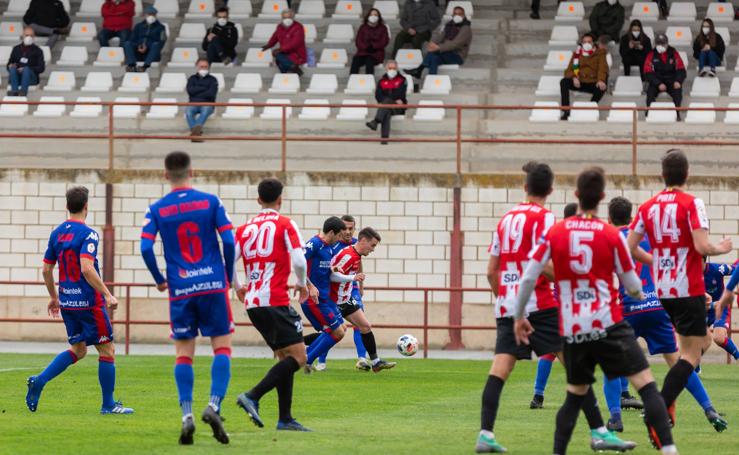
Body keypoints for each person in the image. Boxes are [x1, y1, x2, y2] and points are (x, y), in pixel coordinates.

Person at [514, 167, 677, 455]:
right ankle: (669, 450)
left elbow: (529, 276)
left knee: (574, 394)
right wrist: (638, 292)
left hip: (574, 326)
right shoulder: (610, 234)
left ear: (576, 195)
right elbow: (632, 285)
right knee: (646, 384)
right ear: (601, 197)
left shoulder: (556, 232)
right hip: (609, 322)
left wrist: (519, 316)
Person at [475, 162, 635, 454]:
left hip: (508, 305)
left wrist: (506, 300)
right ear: (550, 190)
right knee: (576, 367)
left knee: (500, 369)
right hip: (540, 304)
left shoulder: (505, 219)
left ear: (525, 187)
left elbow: (491, 271)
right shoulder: (546, 218)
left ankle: (485, 434)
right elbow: (545, 265)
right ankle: (600, 432)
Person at [627, 149, 732, 449]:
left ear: (663, 175)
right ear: (686, 174)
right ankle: (658, 408)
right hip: (688, 288)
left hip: (664, 290)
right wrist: (721, 248)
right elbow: (701, 245)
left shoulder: (648, 206)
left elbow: (632, 247)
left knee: (697, 346)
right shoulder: (691, 202)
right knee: (691, 355)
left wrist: (656, 262)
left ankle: (662, 406)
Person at [602, 197, 725, 434]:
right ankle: (709, 409)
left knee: (611, 364)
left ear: (609, 219)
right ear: (632, 218)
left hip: (628, 309)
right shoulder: (649, 239)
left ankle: (615, 419)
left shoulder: (611, 240)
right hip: (657, 307)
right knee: (681, 361)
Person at [140, 151, 235, 445]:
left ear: (166, 175)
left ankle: (187, 416)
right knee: (222, 348)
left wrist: (159, 280)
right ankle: (214, 405)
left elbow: (145, 247)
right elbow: (229, 240)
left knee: (184, 354)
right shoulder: (211, 201)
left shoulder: (156, 209)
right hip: (213, 285)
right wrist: (228, 276)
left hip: (181, 289)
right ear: (191, 171)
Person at [26, 187, 133, 416]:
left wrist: (54, 297)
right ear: (86, 206)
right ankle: (108, 405)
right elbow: (86, 267)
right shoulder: (88, 234)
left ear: (67, 206)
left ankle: (40, 380)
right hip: (88, 303)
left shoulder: (57, 233)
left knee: (79, 349)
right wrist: (107, 294)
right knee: (107, 350)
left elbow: (46, 269)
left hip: (67, 302)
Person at [233, 178, 311, 432]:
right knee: (299, 357)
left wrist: (238, 287)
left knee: (284, 356)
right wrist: (301, 283)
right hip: (274, 298)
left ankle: (285, 418)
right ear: (280, 199)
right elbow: (299, 260)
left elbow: (227, 261)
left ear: (258, 200)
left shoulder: (243, 229)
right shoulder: (285, 224)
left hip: (253, 302)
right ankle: (252, 395)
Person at [529, 202, 578, 410]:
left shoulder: (555, 237)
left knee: (550, 351)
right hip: (577, 302)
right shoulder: (578, 238)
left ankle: (538, 395)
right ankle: (583, 391)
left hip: (557, 303)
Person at [326, 227, 396, 372]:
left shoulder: (356, 255)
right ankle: (297, 347)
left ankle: (376, 362)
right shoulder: (348, 256)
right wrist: (353, 278)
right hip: (334, 301)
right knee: (332, 333)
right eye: (373, 245)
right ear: (363, 241)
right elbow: (331, 275)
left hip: (345, 299)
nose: (373, 249)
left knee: (365, 326)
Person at [310, 215, 370, 371]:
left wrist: (360, 285)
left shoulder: (357, 243)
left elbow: (358, 263)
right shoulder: (331, 244)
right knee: (333, 328)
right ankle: (320, 361)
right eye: (346, 228)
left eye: (352, 228)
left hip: (351, 287)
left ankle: (362, 358)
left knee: (360, 321)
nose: (348, 232)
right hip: (333, 290)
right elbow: (327, 270)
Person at [301, 217, 348, 372]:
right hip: (313, 299)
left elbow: (319, 269)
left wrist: (332, 269)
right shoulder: (314, 244)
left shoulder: (328, 248)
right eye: (340, 235)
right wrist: (310, 285)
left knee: (341, 328)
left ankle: (304, 357)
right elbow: (298, 264)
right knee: (337, 332)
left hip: (325, 299)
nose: (341, 239)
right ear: (332, 232)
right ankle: (306, 360)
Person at [405, 6, 471, 79]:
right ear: (452, 15)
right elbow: (440, 37)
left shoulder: (466, 28)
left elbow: (455, 44)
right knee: (434, 58)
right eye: (455, 14)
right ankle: (431, 79)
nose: (457, 16)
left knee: (433, 53)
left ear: (464, 15)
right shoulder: (449, 25)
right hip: (445, 52)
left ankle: (419, 70)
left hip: (457, 55)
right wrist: (432, 44)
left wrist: (438, 47)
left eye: (460, 14)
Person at [560, 33, 608, 120]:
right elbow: (568, 70)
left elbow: (602, 68)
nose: (587, 44)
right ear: (581, 43)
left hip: (593, 82)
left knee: (602, 86)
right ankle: (566, 110)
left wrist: (600, 80)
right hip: (579, 81)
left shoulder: (600, 53)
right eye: (584, 42)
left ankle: (591, 106)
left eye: (589, 42)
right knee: (564, 82)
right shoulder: (576, 54)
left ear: (593, 43)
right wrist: (574, 77)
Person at [644, 34, 686, 120]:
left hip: (671, 80)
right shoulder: (651, 54)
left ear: (667, 44)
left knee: (677, 91)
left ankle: (676, 113)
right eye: (658, 44)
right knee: (650, 93)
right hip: (657, 81)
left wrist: (678, 81)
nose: (660, 46)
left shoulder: (674, 53)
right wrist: (658, 83)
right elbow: (647, 72)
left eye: (663, 44)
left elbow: (681, 69)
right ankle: (649, 112)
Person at [366, 60, 407, 145]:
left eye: (394, 68)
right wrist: (388, 100)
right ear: (386, 68)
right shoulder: (381, 81)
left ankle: (376, 121)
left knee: (386, 102)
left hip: (398, 107)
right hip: (387, 107)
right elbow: (378, 95)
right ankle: (384, 139)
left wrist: (386, 100)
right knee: (386, 112)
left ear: (397, 68)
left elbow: (400, 94)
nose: (392, 70)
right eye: (390, 68)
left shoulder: (402, 79)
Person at [704, 261, 738, 360]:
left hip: (720, 308)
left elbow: (736, 269)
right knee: (694, 341)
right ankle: (695, 370)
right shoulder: (688, 275)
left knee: (718, 338)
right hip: (702, 310)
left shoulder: (718, 269)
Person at [262, 9, 306, 76]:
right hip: (284, 54)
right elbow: (275, 37)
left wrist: (280, 49)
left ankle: (291, 71)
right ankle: (292, 68)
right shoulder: (280, 27)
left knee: (277, 55)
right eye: (285, 17)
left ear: (293, 18)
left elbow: (295, 43)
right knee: (279, 60)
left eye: (289, 17)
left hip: (296, 54)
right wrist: (268, 45)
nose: (287, 19)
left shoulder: (298, 27)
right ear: (282, 18)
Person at [123, 6, 166, 72]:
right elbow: (132, 39)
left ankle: (145, 66)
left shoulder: (161, 27)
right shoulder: (138, 26)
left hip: (151, 53)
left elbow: (162, 41)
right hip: (138, 52)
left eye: (153, 14)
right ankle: (132, 65)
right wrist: (139, 46)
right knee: (127, 43)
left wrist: (147, 46)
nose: (151, 16)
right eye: (149, 14)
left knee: (156, 44)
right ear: (145, 15)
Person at [185, 58, 218, 142]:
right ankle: (196, 133)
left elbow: (211, 94)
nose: (203, 68)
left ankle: (194, 133)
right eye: (201, 66)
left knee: (206, 110)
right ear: (197, 67)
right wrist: (204, 88)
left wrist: (197, 89)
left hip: (208, 104)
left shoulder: (213, 79)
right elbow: (190, 91)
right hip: (193, 104)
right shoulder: (192, 78)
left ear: (208, 67)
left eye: (205, 67)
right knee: (188, 111)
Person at [6, 27, 44, 96]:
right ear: (23, 36)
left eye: (31, 36)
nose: (29, 37)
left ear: (34, 37)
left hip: (31, 78)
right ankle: (14, 91)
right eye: (27, 35)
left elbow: (41, 68)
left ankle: (23, 91)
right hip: (17, 77)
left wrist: (27, 68)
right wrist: (11, 66)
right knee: (13, 68)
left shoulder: (38, 50)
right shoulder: (16, 49)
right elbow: (9, 64)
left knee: (26, 69)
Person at [350, 8, 390, 75]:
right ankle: (352, 80)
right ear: (368, 16)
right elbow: (358, 41)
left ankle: (370, 81)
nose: (373, 16)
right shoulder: (363, 27)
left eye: (375, 15)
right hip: (363, 52)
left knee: (369, 60)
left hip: (376, 53)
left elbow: (384, 41)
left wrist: (373, 46)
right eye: (371, 14)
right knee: (355, 60)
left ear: (379, 17)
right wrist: (366, 47)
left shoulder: (383, 28)